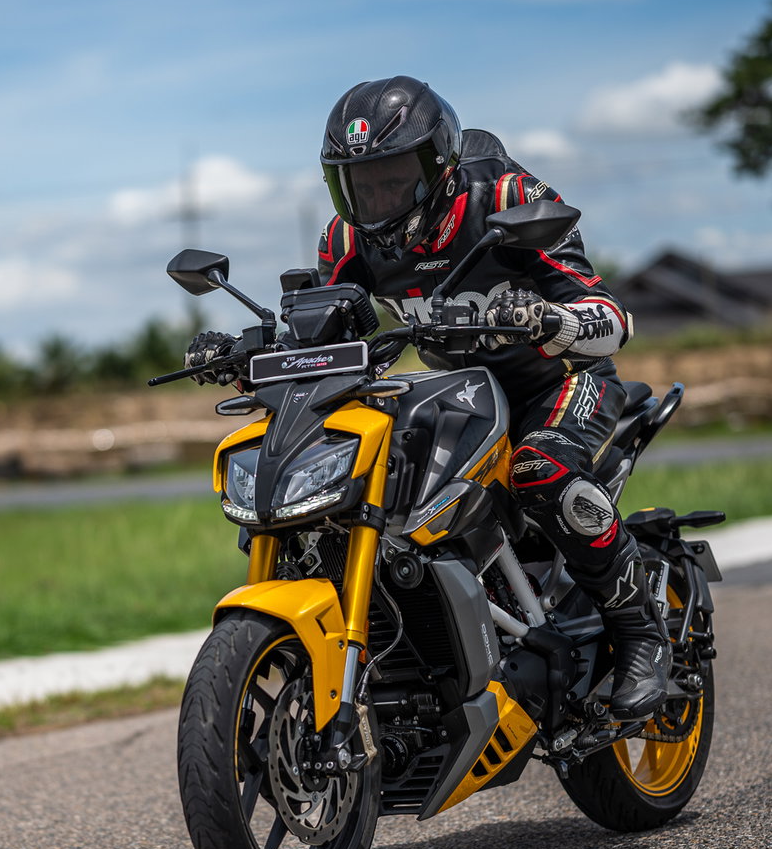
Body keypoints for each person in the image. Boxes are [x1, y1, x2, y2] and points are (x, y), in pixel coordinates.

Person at [183, 75, 668, 720]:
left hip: (558, 382)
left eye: (392, 177)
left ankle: (641, 634)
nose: (377, 197)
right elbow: (324, 322)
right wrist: (249, 350)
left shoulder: (505, 196)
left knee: (540, 472)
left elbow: (614, 318)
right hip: (466, 391)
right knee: (360, 487)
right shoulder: (348, 240)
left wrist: (549, 320)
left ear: (437, 164)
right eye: (360, 183)